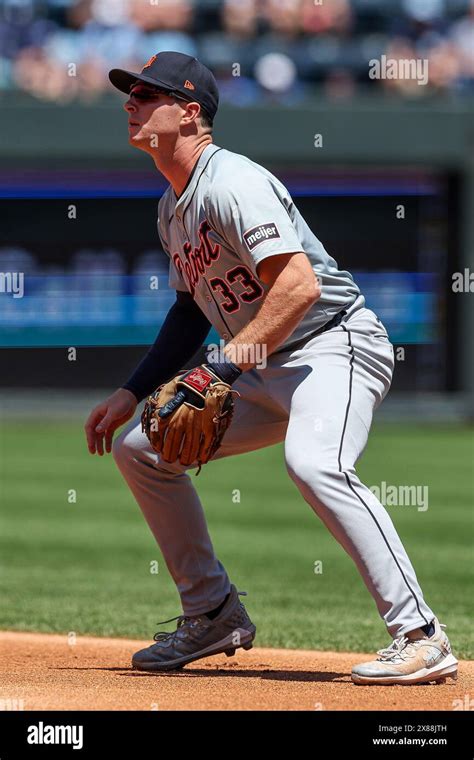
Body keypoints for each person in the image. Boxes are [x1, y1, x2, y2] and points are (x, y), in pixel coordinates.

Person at [84, 51, 457, 684]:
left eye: (147, 95)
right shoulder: (172, 207)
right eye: (130, 95)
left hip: (332, 346)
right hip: (264, 365)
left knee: (315, 463)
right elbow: (188, 313)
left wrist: (221, 373)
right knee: (140, 449)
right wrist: (130, 392)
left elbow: (298, 288)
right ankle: (212, 613)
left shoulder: (232, 181)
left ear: (190, 111)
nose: (131, 104)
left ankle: (421, 634)